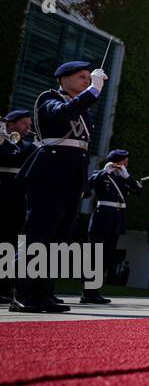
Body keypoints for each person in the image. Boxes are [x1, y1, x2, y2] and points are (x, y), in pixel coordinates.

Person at [11, 60, 106, 313]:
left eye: (88, 77)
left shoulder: (82, 106)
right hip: (50, 173)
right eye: (81, 77)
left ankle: (44, 292)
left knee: (58, 240)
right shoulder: (49, 98)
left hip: (70, 177)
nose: (86, 81)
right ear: (64, 79)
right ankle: (23, 293)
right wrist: (93, 91)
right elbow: (63, 113)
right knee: (38, 236)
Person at [82, 149, 141, 304]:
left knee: (106, 257)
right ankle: (88, 292)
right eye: (124, 161)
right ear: (116, 161)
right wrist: (104, 172)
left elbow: (137, 190)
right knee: (94, 256)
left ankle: (95, 291)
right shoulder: (101, 174)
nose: (126, 163)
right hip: (102, 218)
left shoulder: (123, 177)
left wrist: (127, 176)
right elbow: (89, 185)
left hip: (116, 221)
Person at [0, 109, 36, 305]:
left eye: (29, 126)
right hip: (3, 197)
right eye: (24, 124)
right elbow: (11, 158)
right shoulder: (5, 142)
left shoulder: (23, 145)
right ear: (11, 124)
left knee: (11, 245)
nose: (28, 129)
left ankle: (5, 287)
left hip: (17, 201)